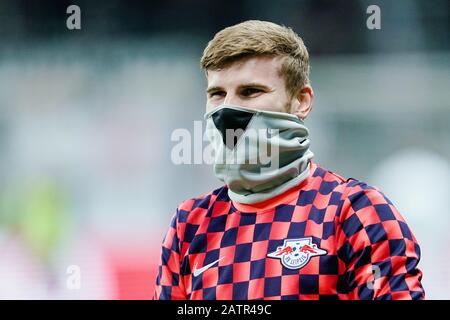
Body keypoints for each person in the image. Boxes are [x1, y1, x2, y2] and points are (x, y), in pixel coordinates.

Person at [153, 20, 424, 300]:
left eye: (250, 91)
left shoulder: (355, 212)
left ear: (301, 101)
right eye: (217, 94)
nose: (227, 110)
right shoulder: (190, 224)